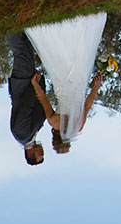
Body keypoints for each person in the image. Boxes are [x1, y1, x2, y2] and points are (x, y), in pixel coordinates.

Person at [24, 12, 107, 145]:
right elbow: (43, 98)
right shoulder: (53, 122)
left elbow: (87, 105)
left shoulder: (78, 127)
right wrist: (35, 84)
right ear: (54, 138)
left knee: (79, 55)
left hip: (79, 84)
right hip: (61, 84)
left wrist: (96, 86)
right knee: (60, 58)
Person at [6, 31, 57, 165]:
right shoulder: (32, 133)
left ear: (30, 154)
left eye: (39, 154)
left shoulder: (21, 134)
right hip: (28, 82)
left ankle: (7, 27)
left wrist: (33, 84)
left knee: (21, 51)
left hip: (23, 83)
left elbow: (25, 105)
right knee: (26, 48)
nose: (42, 151)